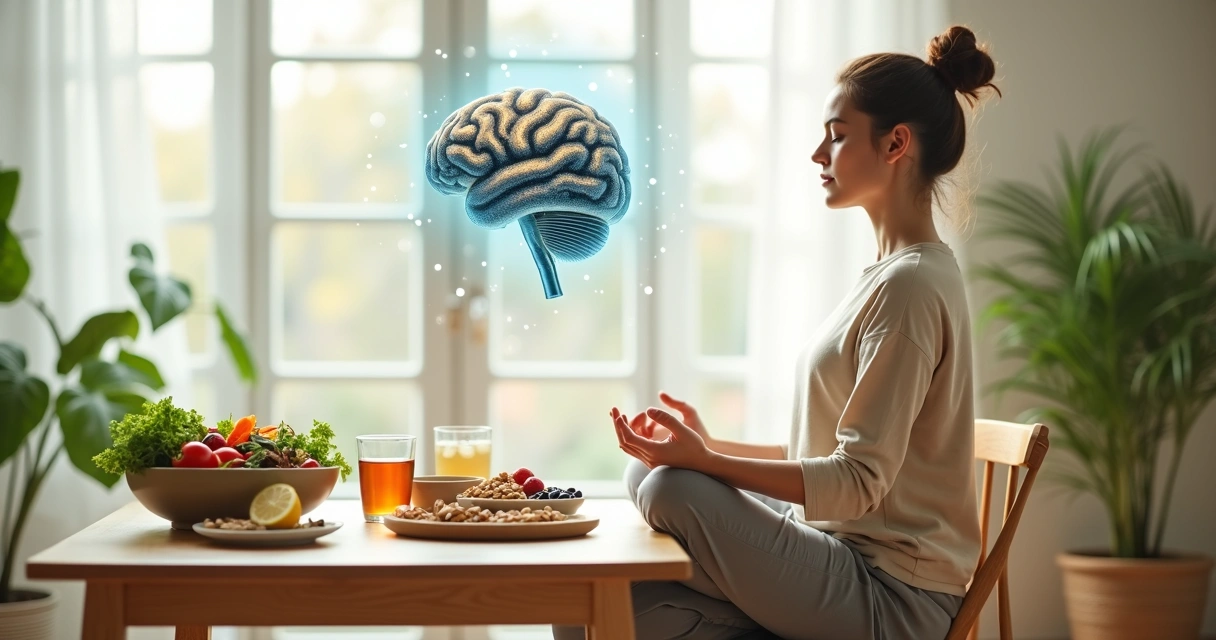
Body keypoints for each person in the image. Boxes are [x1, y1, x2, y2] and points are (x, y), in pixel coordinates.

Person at [553, 24, 1002, 640]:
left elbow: (855, 482)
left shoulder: (913, 287)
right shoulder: (889, 277)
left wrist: (707, 463)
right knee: (618, 542)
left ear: (896, 144)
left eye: (837, 137)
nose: (819, 155)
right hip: (837, 557)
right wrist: (714, 451)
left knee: (672, 490)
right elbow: (825, 457)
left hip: (892, 596)